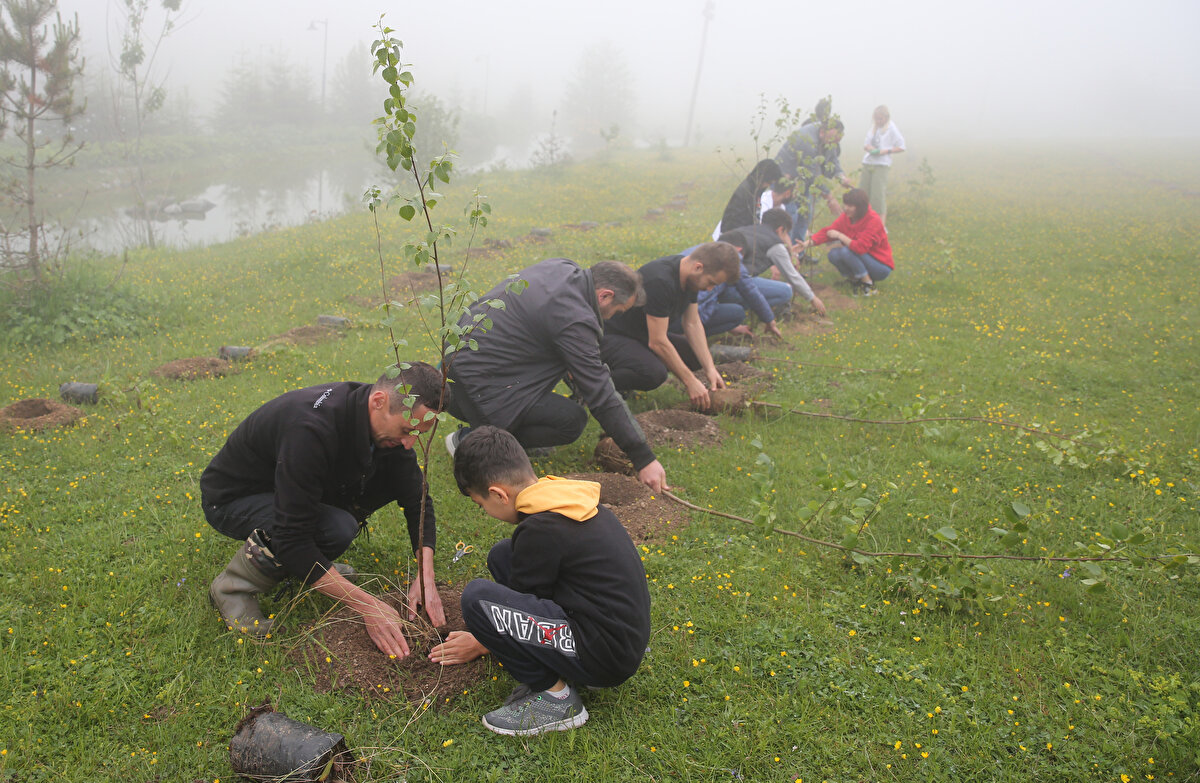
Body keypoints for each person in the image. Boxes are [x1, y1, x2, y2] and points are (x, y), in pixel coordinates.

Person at [200, 362, 447, 659]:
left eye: (419, 433)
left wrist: (425, 577)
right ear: (379, 401)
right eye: (407, 430)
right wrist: (367, 605)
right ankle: (234, 587)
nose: (410, 444)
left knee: (376, 487)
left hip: (287, 488)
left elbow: (417, 499)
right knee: (333, 529)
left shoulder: (380, 422)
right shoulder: (311, 430)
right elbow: (293, 539)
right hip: (235, 497)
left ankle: (313, 570)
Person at [429, 426, 650, 736]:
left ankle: (556, 698)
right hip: (618, 640)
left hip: (604, 657)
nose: (485, 512)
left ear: (498, 494)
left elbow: (510, 617)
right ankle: (565, 667)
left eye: (482, 506)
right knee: (503, 554)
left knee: (476, 598)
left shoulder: (540, 530)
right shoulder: (565, 500)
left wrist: (483, 640)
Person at [445, 258, 668, 493]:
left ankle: (495, 429)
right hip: (475, 387)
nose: (611, 318)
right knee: (570, 421)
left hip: (454, 366)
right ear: (605, 296)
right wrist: (643, 458)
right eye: (617, 311)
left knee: (560, 412)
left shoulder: (560, 268)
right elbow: (600, 392)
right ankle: (473, 439)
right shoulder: (574, 317)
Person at [600, 242, 739, 409]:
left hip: (641, 333)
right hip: (612, 335)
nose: (710, 289)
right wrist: (690, 381)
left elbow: (692, 323)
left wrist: (710, 369)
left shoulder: (690, 276)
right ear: (698, 267)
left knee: (695, 356)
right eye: (711, 282)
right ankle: (590, 381)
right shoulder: (660, 281)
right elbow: (657, 342)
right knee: (654, 374)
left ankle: (629, 373)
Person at [722, 208, 826, 316]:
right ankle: (740, 309)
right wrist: (812, 298)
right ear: (780, 230)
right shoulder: (775, 245)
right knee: (786, 291)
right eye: (786, 233)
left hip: (718, 283)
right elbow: (792, 275)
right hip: (732, 287)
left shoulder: (746, 229)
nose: (786, 238)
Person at [774, 117, 853, 243]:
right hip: (787, 177)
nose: (833, 144)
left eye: (836, 141)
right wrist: (830, 198)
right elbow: (812, 174)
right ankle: (785, 251)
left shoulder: (829, 138)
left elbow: (832, 159)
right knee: (790, 215)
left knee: (805, 214)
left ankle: (798, 250)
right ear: (822, 132)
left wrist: (840, 176)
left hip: (803, 180)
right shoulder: (808, 141)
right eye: (832, 140)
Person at [802, 188, 894, 295]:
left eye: (850, 206)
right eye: (845, 205)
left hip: (880, 266)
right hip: (862, 258)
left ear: (860, 207)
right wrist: (807, 244)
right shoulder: (846, 217)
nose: (846, 208)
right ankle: (854, 280)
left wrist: (840, 235)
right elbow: (828, 232)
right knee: (833, 254)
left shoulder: (873, 220)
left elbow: (860, 248)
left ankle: (868, 285)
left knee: (846, 251)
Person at [711, 158, 783, 240]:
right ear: (762, 178)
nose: (767, 186)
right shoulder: (745, 192)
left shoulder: (757, 191)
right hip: (735, 238)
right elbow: (733, 222)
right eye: (768, 183)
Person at [859, 105, 905, 227]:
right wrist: (871, 149)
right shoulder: (873, 128)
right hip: (868, 162)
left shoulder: (891, 128)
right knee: (863, 193)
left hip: (882, 164)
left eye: (881, 119)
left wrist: (885, 151)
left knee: (877, 196)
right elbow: (866, 144)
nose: (879, 121)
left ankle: (880, 227)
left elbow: (901, 146)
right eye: (876, 119)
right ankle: (863, 223)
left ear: (886, 117)